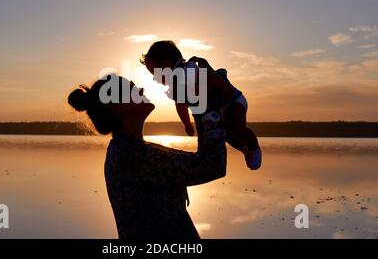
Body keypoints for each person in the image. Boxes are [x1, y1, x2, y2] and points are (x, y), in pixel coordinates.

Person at [68, 75, 227, 239]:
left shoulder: (131, 149)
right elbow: (213, 165)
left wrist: (200, 106)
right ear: (119, 106)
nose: (141, 90)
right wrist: (207, 109)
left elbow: (203, 159)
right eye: (132, 88)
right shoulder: (132, 156)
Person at [141, 40, 261, 170]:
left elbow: (209, 75)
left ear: (166, 64)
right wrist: (186, 123)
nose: (155, 78)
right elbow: (180, 106)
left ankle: (254, 148)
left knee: (237, 127)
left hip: (231, 100)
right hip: (217, 111)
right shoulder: (176, 87)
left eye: (155, 73)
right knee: (224, 133)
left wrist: (224, 87)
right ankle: (244, 149)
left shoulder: (186, 70)